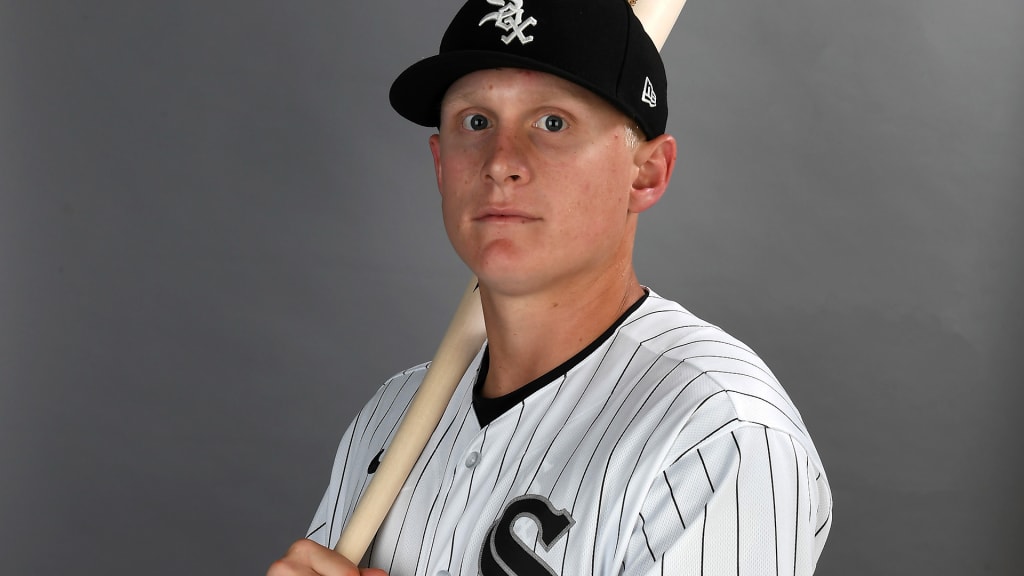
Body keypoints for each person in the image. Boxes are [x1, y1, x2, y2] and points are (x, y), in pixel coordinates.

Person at [268, 0, 832, 574]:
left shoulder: (717, 433)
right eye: (476, 122)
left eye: (553, 123)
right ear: (441, 165)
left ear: (648, 172)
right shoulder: (388, 418)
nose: (500, 163)